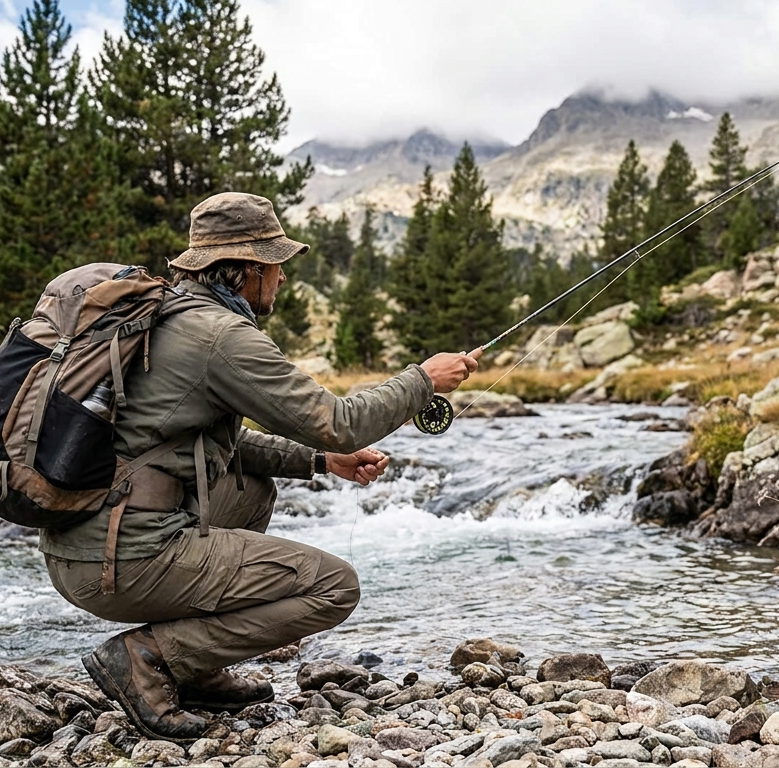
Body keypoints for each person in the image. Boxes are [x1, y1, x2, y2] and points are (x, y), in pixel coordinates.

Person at [41, 192, 480, 742]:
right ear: (247, 270)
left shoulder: (168, 314)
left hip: (79, 548)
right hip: (120, 563)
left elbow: (228, 446)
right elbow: (339, 419)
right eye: (276, 265)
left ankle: (195, 668)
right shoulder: (221, 337)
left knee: (250, 487)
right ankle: (149, 658)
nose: (283, 279)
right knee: (335, 587)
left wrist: (322, 461)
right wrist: (421, 381)